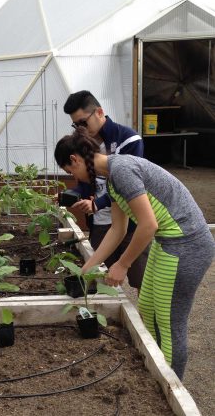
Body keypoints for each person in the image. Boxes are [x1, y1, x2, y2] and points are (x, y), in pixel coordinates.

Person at [54, 132, 214, 379]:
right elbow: (118, 230)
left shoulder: (122, 171)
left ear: (74, 159)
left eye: (69, 171)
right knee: (148, 308)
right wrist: (89, 266)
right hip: (168, 242)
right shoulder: (111, 179)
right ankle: (156, 371)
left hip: (187, 245)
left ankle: (171, 386)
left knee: (168, 322)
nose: (73, 178)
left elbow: (148, 225)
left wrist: (123, 264)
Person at [63, 90, 148, 292]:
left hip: (132, 224)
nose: (80, 129)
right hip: (102, 223)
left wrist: (97, 203)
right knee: (102, 280)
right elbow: (86, 182)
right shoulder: (84, 145)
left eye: (83, 123)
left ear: (99, 112)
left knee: (143, 284)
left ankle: (143, 321)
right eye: (76, 125)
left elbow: (130, 187)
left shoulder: (128, 140)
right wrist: (76, 195)